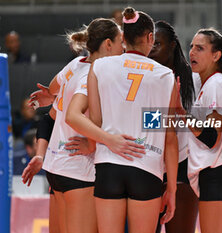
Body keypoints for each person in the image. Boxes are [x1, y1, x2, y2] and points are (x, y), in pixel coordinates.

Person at [72, 7, 178, 233]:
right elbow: (168, 137)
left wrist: (98, 142)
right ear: (150, 38)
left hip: (108, 166)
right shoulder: (164, 76)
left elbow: (96, 121)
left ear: (123, 38)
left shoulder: (99, 66)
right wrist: (172, 190)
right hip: (146, 166)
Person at [22, 17, 126, 233]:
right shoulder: (95, 75)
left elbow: (52, 88)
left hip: (56, 167)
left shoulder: (75, 65)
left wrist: (51, 97)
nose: (124, 48)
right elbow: (73, 116)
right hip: (79, 170)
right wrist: (102, 141)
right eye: (121, 42)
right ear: (108, 44)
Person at [175, 28, 222, 233]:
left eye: (200, 48)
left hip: (219, 178)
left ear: (216, 55)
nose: (192, 53)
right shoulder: (210, 84)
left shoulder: (216, 84)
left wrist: (181, 113)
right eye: (191, 47)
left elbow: (211, 136)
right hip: (218, 179)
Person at [149, 20, 198, 233]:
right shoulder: (143, 78)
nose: (151, 50)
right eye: (148, 44)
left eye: (157, 44)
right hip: (148, 166)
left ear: (172, 46)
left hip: (183, 167)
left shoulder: (194, 80)